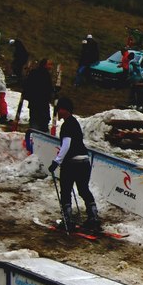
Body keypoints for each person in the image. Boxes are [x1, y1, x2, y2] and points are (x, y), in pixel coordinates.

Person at [48, 95, 101, 232]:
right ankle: (93, 217)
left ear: (65, 110)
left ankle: (67, 220)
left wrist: (56, 162)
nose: (58, 112)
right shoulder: (75, 122)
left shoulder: (67, 125)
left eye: (59, 109)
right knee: (83, 189)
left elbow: (66, 145)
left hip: (72, 163)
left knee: (65, 190)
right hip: (84, 161)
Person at [18, 58, 56, 132]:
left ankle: (34, 133)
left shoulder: (34, 72)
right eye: (49, 64)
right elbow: (47, 88)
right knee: (42, 120)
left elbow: (27, 84)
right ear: (45, 65)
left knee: (35, 119)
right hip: (41, 101)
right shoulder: (45, 75)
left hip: (35, 101)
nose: (51, 66)